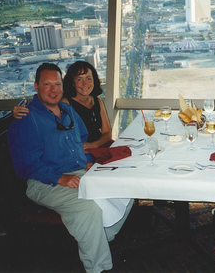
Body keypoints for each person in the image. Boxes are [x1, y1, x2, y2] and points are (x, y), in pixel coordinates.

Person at [7, 63, 132, 273]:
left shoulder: (67, 110)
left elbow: (81, 140)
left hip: (78, 171)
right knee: (87, 209)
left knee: (124, 189)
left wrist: (87, 161)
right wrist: (60, 178)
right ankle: (97, 267)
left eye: (57, 84)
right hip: (45, 182)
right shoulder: (26, 118)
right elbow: (25, 166)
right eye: (47, 84)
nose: (53, 89)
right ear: (36, 86)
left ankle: (99, 238)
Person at [13, 61, 113, 148]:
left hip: (98, 147)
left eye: (88, 79)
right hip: (82, 151)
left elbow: (107, 133)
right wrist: (18, 112)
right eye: (79, 79)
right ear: (72, 83)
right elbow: (44, 106)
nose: (84, 84)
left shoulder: (97, 101)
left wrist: (94, 145)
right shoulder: (65, 104)